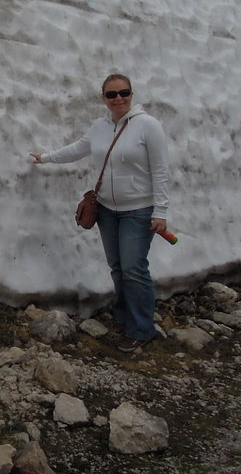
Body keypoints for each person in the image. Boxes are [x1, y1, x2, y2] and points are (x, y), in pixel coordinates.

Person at [29, 74, 170, 352]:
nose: (119, 98)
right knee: (118, 268)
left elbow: (161, 170)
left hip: (138, 211)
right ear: (103, 97)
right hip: (107, 209)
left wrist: (161, 210)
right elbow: (77, 149)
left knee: (134, 269)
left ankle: (142, 329)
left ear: (132, 93)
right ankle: (124, 315)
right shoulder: (99, 127)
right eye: (112, 94)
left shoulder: (148, 126)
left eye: (124, 92)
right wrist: (45, 158)